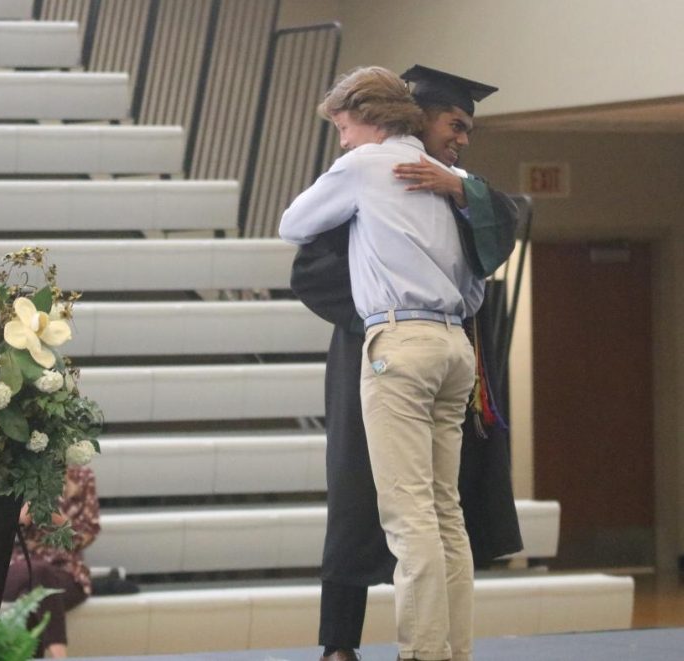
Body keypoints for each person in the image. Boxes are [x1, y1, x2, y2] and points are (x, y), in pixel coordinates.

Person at [289, 65, 522, 661]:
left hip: (397, 346)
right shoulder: (458, 191)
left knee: (409, 513)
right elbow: (475, 291)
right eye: (456, 123)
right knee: (446, 513)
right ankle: (452, 650)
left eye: (344, 127)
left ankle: (419, 653)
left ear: (368, 119)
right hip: (453, 348)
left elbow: (294, 225)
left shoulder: (371, 167)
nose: (341, 139)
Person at [4, 466, 100, 659]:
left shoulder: (81, 478)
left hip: (65, 569)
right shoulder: (16, 473)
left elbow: (87, 535)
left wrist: (60, 520)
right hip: (17, 564)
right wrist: (20, 517)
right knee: (38, 572)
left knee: (31, 598)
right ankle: (59, 655)